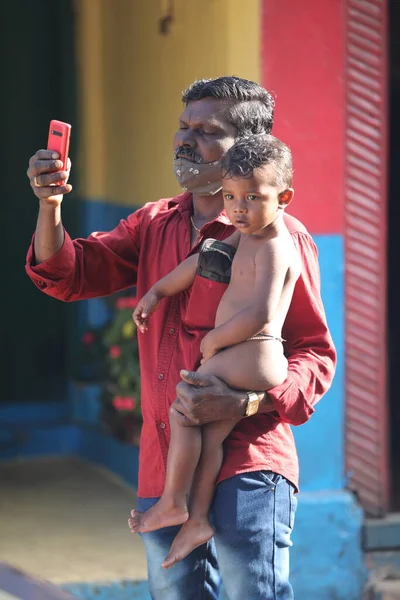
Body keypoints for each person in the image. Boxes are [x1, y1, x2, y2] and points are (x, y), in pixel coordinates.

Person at [26, 76, 336, 600]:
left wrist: (247, 401)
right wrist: (50, 204)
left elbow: (314, 353)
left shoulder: (279, 237)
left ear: (246, 150)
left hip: (247, 466)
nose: (185, 140)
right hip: (166, 470)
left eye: (207, 131)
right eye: (183, 126)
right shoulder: (153, 224)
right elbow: (70, 273)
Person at [129, 134, 301, 570]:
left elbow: (262, 313)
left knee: (184, 408)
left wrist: (215, 341)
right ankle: (198, 518)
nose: (238, 208)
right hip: (244, 354)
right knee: (209, 438)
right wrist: (156, 291)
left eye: (252, 198)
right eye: (230, 197)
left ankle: (172, 502)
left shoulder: (278, 244)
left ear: (283, 198)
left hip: (253, 352)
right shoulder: (247, 232)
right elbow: (199, 262)